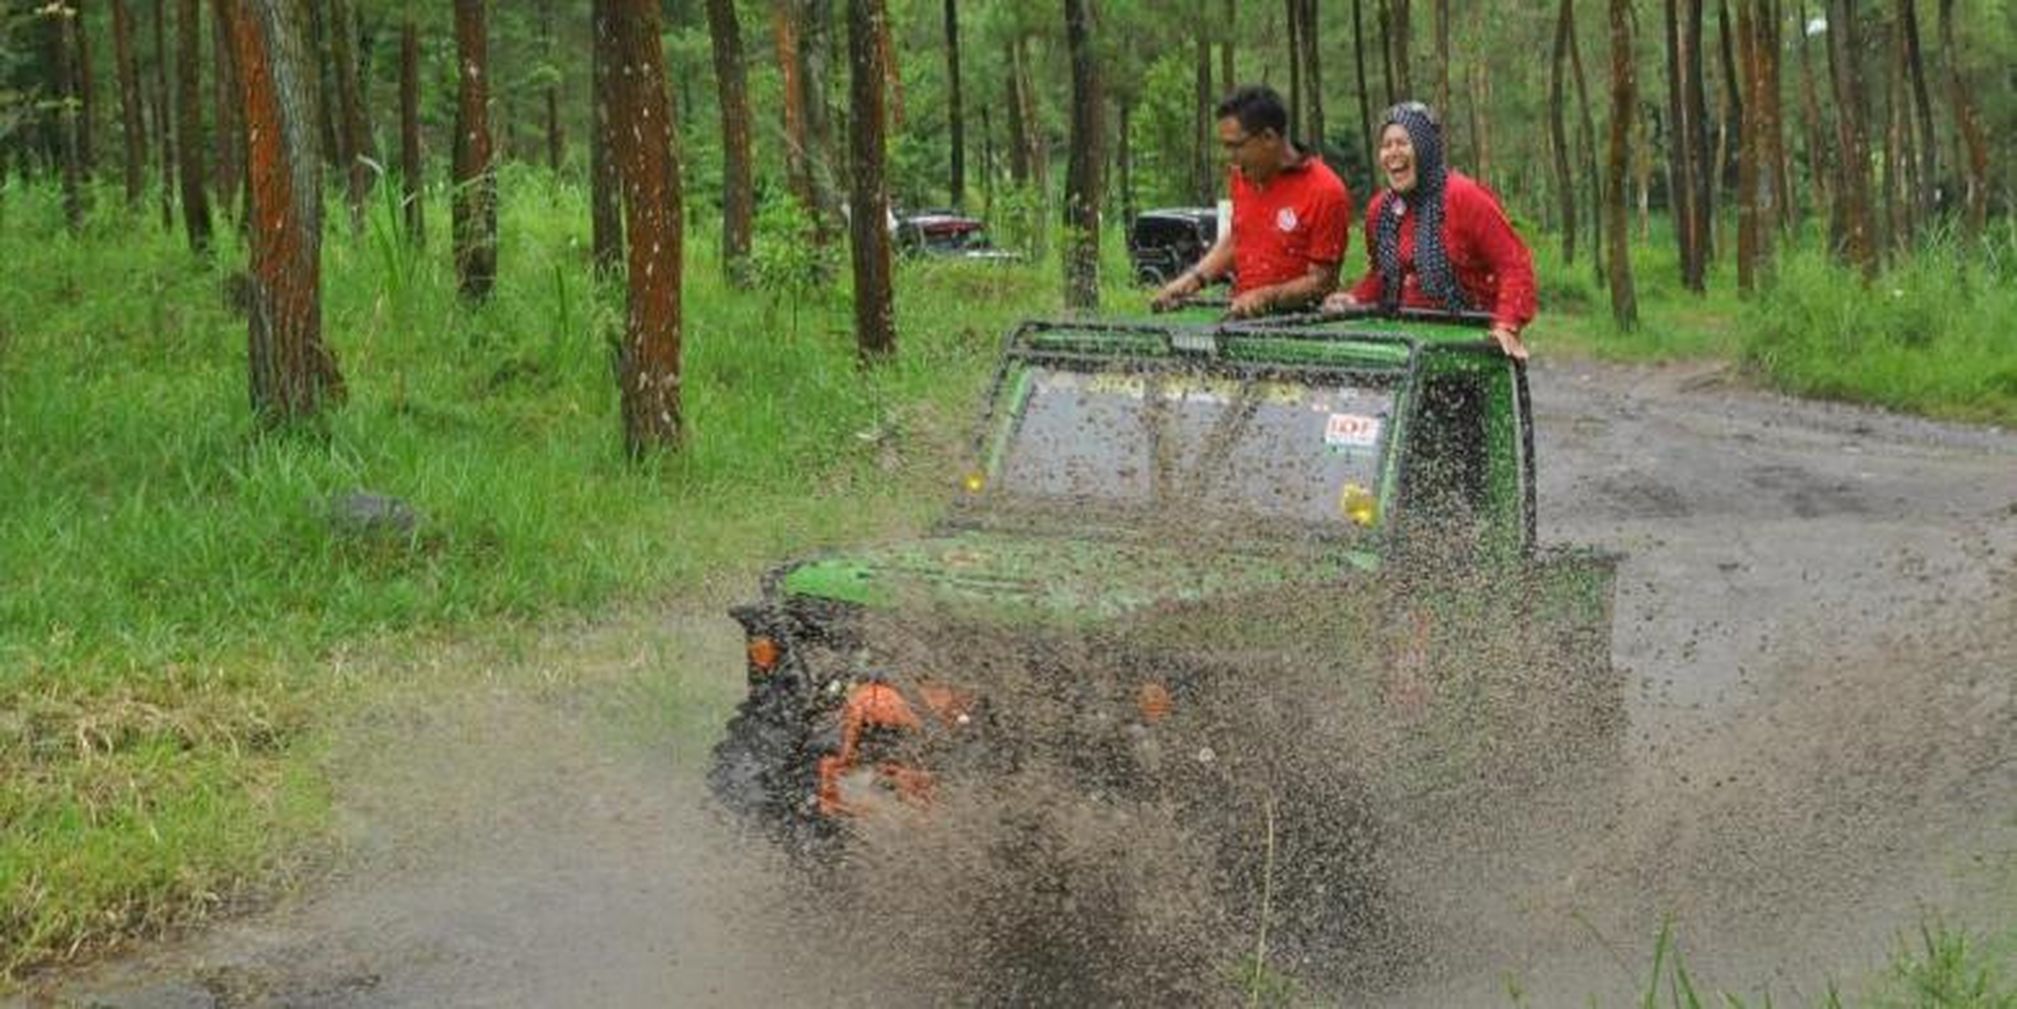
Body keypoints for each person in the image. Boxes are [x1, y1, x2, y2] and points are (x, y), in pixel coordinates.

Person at [1323, 101, 1536, 360]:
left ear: (1425, 148)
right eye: (1386, 145)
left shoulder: (1464, 197)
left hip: (1469, 342)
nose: (1393, 152)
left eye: (1402, 143)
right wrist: (1355, 299)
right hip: (1405, 346)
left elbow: (1514, 264)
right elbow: (1384, 276)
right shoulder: (1380, 210)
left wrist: (1507, 324)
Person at [1151, 85, 1352, 319]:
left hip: (1300, 326)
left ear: (1268, 138)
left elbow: (1322, 282)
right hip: (1241, 318)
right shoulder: (1242, 176)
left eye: (1235, 146)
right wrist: (1192, 280)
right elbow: (1239, 237)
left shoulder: (1326, 190)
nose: (1230, 157)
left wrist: (1266, 296)